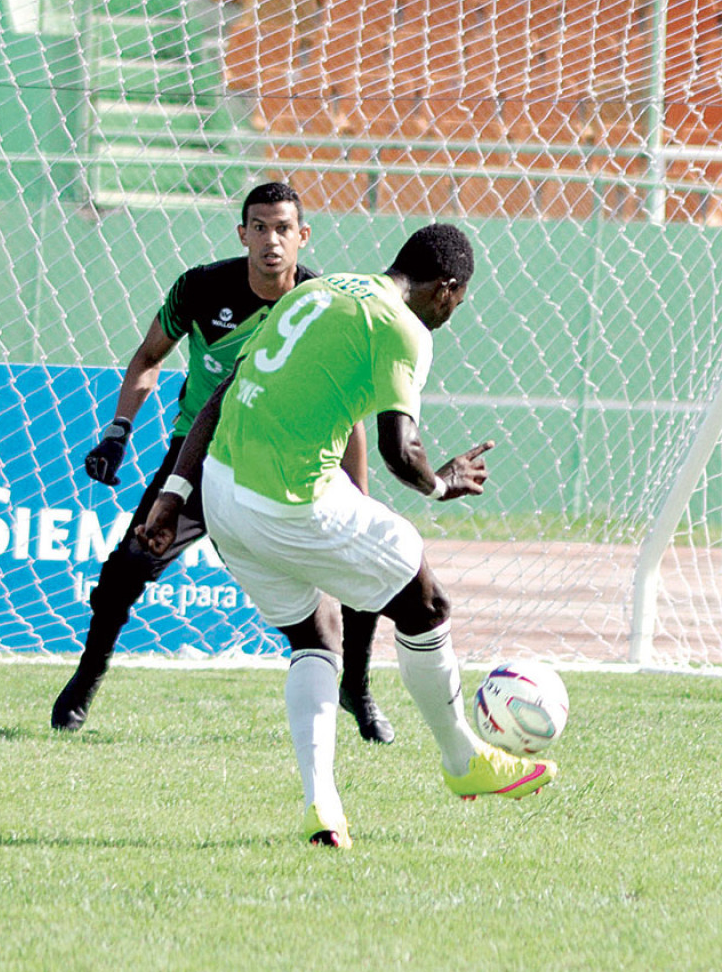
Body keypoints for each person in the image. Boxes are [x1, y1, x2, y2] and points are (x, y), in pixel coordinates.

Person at [136, 223, 557, 849]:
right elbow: (399, 448)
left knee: (315, 634)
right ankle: (464, 762)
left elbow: (220, 395)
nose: (451, 315)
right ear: (446, 289)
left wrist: (175, 493)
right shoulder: (403, 328)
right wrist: (441, 484)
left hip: (221, 492)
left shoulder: (317, 290)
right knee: (427, 603)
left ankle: (322, 807)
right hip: (289, 501)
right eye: (457, 304)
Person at [51, 182, 393, 742]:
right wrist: (118, 432)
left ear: (302, 236)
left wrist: (358, 490)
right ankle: (85, 679)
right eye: (259, 227)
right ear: (242, 234)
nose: (271, 240)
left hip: (284, 462)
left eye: (283, 228)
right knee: (126, 569)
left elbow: (351, 408)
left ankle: (355, 686)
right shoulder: (202, 288)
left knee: (354, 573)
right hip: (197, 459)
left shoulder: (321, 304)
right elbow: (148, 356)